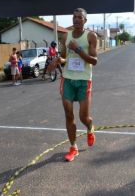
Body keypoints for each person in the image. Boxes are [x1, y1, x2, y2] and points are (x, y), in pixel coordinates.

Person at [48, 8, 97, 162]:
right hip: (68, 79)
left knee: (83, 117)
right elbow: (64, 57)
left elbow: (94, 60)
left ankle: (90, 127)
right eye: (74, 17)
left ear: (85, 20)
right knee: (69, 115)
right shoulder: (65, 36)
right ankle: (73, 147)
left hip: (83, 81)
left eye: (80, 18)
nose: (76, 20)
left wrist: (79, 49)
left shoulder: (91, 36)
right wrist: (57, 61)